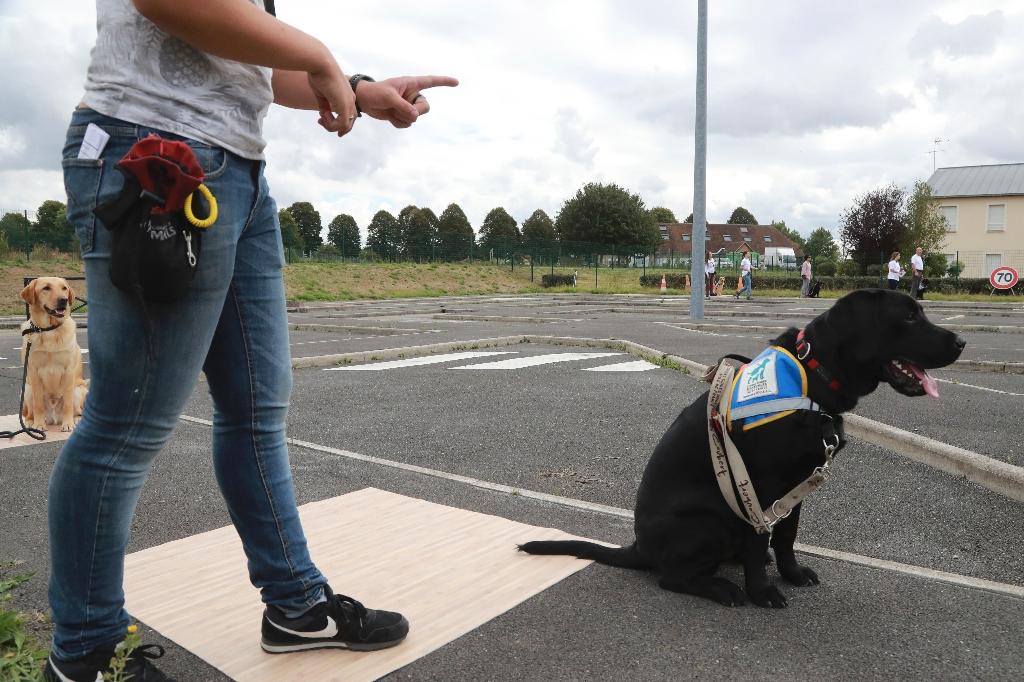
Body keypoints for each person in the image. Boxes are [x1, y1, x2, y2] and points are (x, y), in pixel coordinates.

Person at [45, 1, 457, 680]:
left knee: (257, 410)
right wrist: (319, 55)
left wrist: (354, 89)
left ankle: (295, 607)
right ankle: (83, 660)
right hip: (153, 153)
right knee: (124, 427)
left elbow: (253, 65)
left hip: (236, 170)